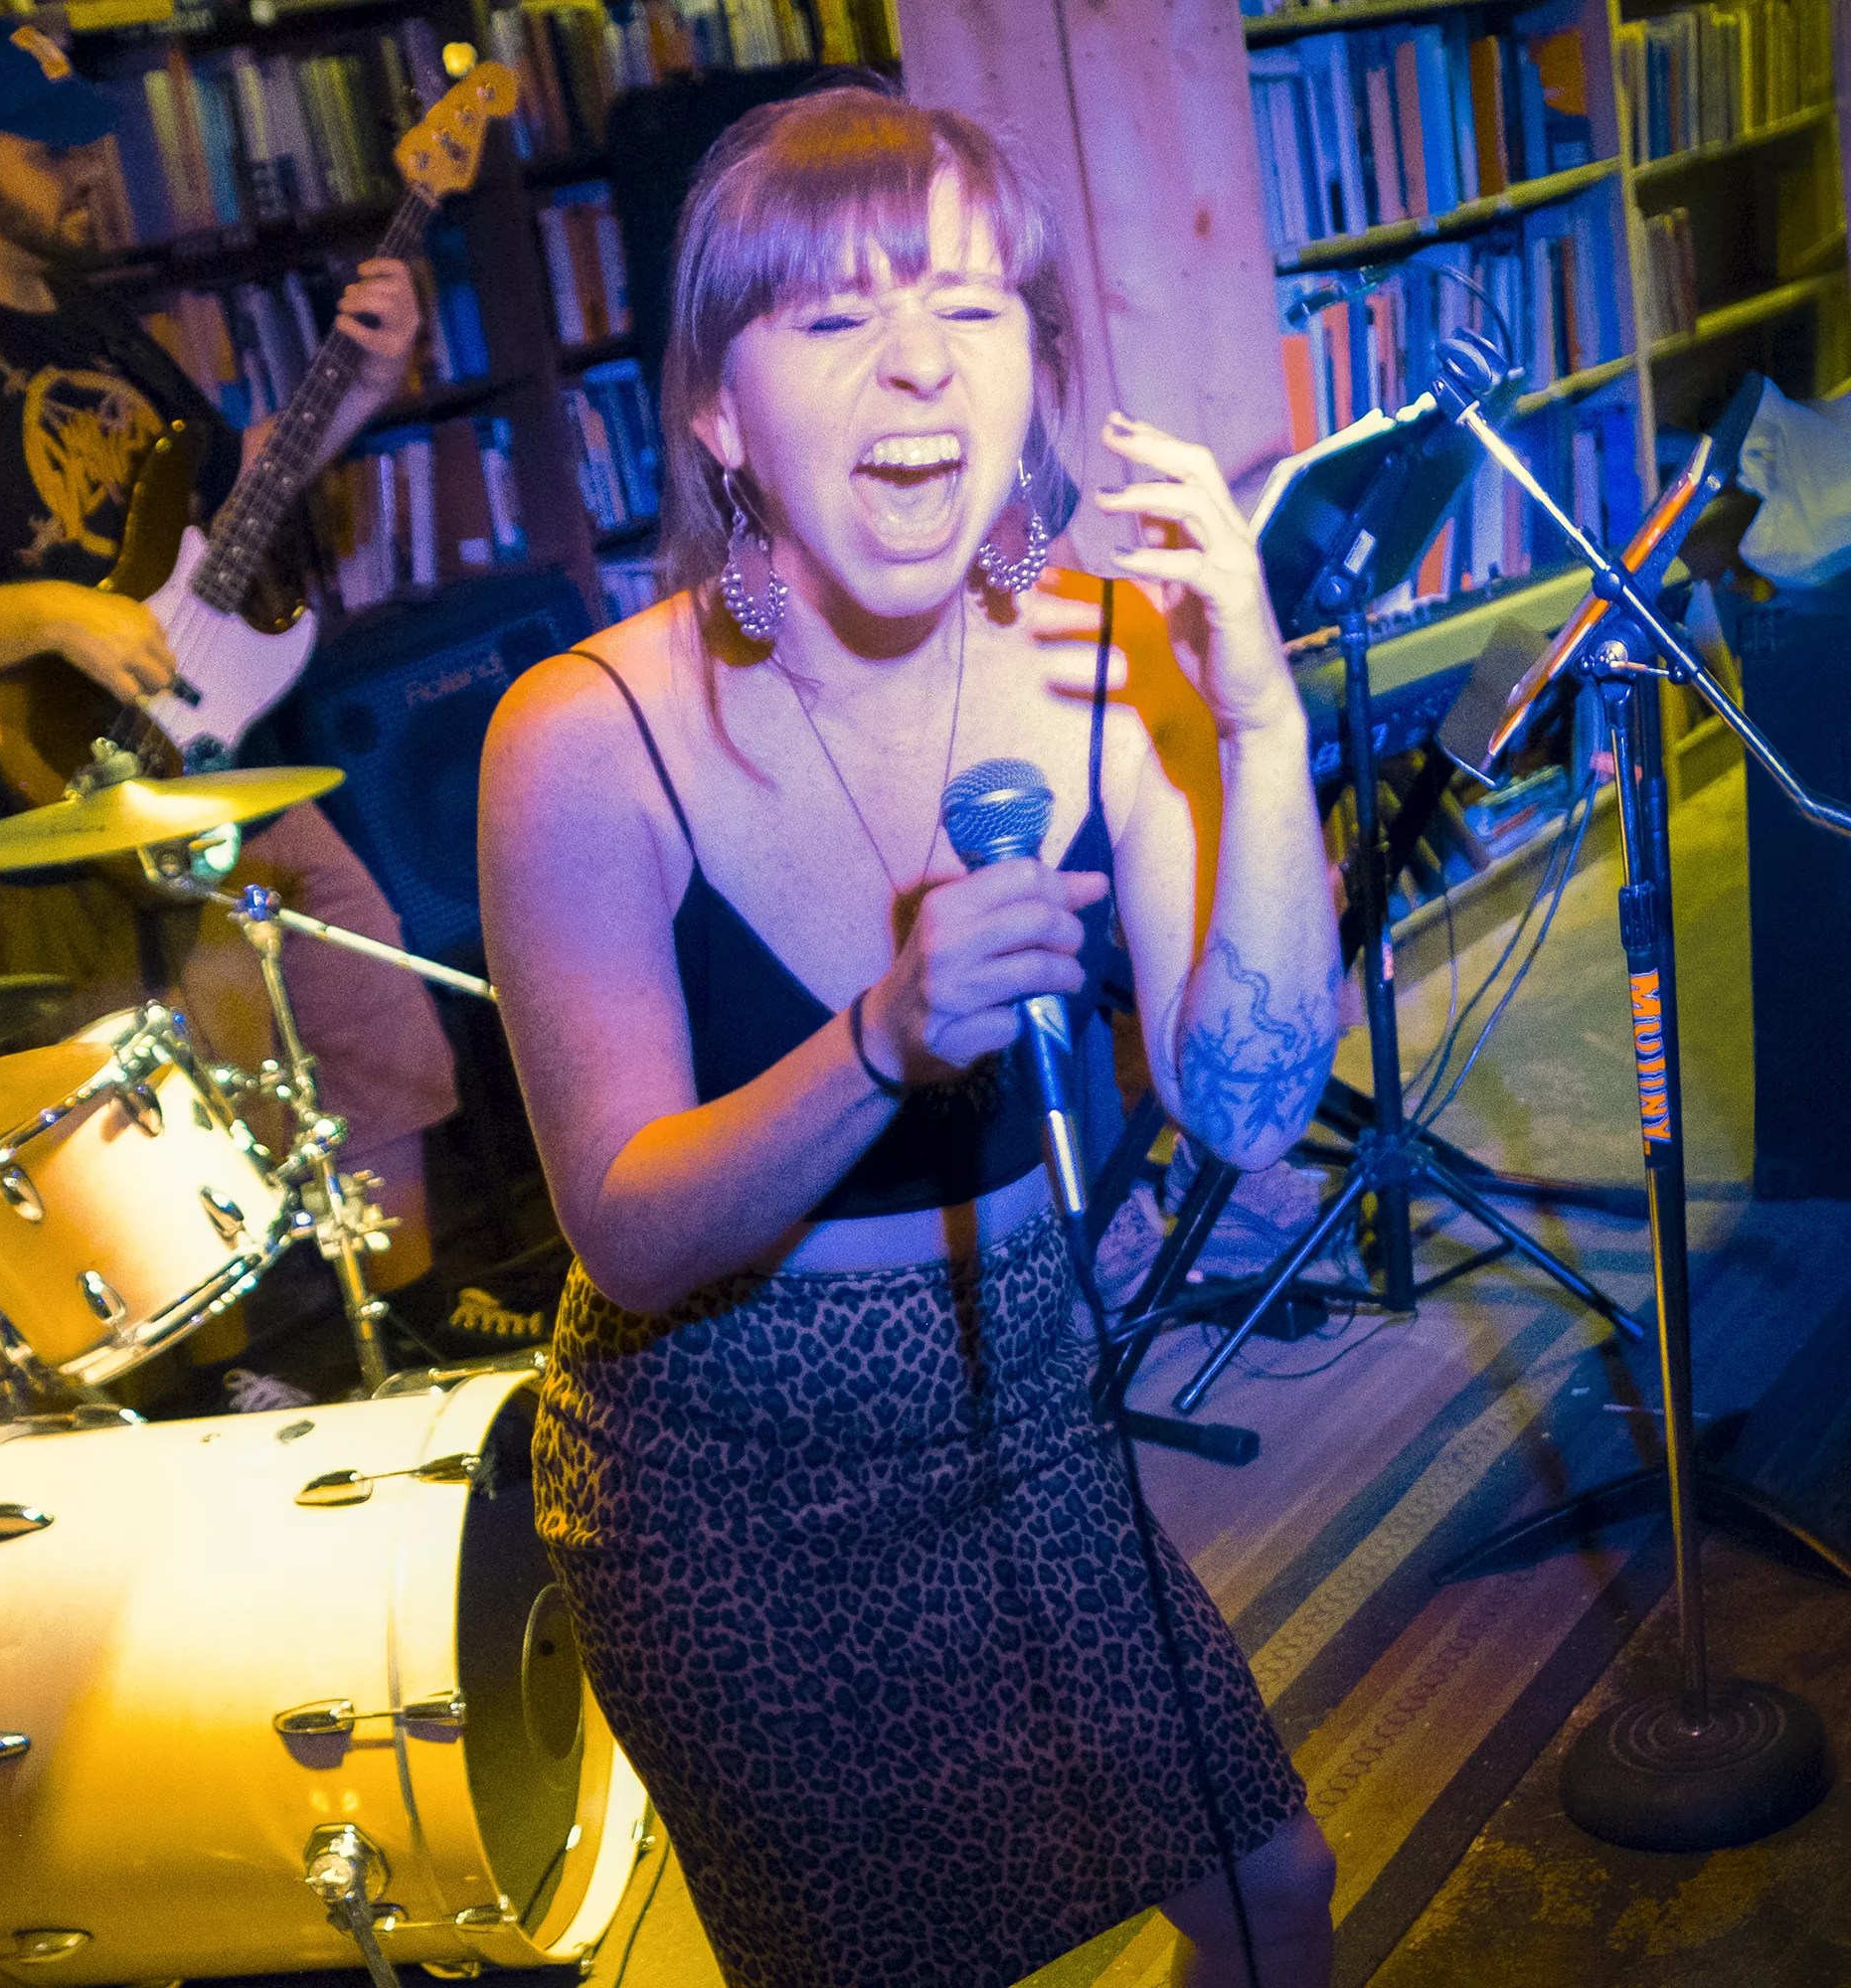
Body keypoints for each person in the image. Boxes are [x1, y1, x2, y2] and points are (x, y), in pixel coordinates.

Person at [476, 90, 1342, 1988]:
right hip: (727, 1489)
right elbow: (626, 1228)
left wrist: (1262, 732)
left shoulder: (1108, 660)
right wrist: (877, 1039)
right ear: (719, 412)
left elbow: (1255, 1111)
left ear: (1033, 369)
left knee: (1273, 1891)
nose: (919, 363)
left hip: (1033, 1415)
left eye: (968, 303)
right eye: (834, 316)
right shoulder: (581, 738)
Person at [0, 14, 458, 1312]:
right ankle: (266, 1372)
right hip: (79, 815)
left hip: (227, 767)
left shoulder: (86, 316)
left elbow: (227, 501)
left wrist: (364, 388)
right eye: (46, 152)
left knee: (377, 1030)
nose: (86, 171)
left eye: (83, 144)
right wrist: (49, 612)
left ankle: (421, 1324)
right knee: (192, 1154)